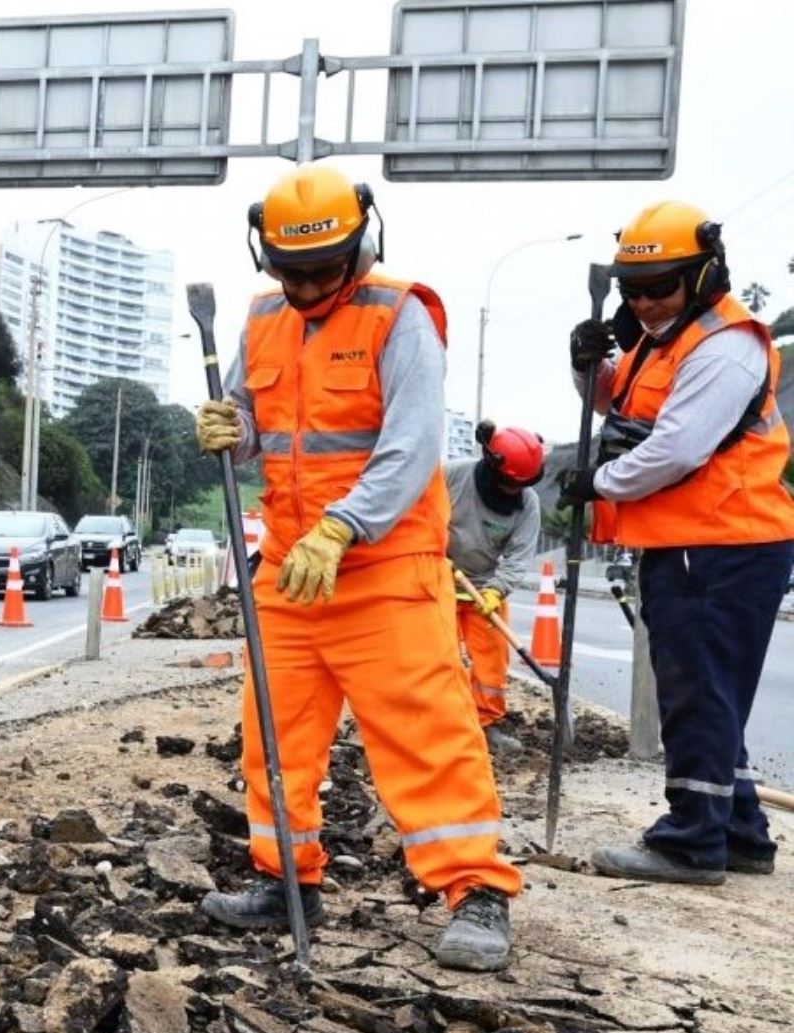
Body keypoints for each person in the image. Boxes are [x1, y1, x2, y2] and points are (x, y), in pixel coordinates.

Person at [195, 165, 522, 971]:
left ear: (362, 243)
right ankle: (286, 880)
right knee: (276, 736)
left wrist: (342, 527)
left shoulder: (402, 315)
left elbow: (411, 448)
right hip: (290, 570)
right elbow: (254, 429)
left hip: (380, 566)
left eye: (322, 269)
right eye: (290, 270)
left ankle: (476, 890)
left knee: (425, 733)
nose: (306, 286)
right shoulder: (262, 317)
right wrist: (226, 429)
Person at [559, 201, 794, 884]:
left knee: (696, 694)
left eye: (659, 287)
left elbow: (677, 450)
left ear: (703, 275)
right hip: (697, 542)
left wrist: (599, 483)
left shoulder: (725, 345)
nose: (644, 302)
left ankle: (691, 842)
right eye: (633, 290)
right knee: (712, 694)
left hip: (723, 544)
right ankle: (742, 833)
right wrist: (587, 366)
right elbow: (616, 404)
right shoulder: (661, 341)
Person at [446, 422, 545, 754]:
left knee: (492, 660)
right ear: (492, 465)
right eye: (510, 484)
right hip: (435, 579)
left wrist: (495, 590)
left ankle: (487, 723)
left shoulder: (527, 504)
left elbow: (518, 558)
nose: (515, 492)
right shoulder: (451, 477)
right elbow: (415, 514)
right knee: (435, 657)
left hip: (483, 588)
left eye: (522, 486)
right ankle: (439, 724)